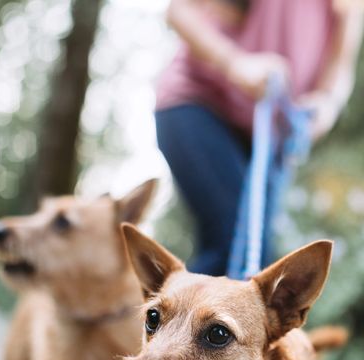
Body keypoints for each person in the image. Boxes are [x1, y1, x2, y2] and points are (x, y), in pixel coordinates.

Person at [155, 0, 363, 276]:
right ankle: (159, 317)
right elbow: (179, 10)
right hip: (198, 103)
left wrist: (327, 104)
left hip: (268, 136)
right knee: (233, 243)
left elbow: (340, 66)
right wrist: (234, 63)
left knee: (251, 259)